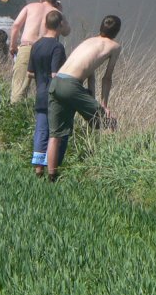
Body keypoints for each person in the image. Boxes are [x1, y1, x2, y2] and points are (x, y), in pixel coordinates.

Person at [46, 15, 120, 182]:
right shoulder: (114, 46)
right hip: (71, 85)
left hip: (57, 82)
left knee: (55, 135)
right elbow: (107, 78)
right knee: (108, 122)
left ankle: (51, 177)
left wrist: (91, 94)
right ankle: (110, 168)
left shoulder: (88, 41)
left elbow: (88, 70)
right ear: (117, 31)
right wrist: (104, 105)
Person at [9, 0, 70, 103]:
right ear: (55, 2)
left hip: (27, 46)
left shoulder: (30, 7)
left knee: (19, 85)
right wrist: (60, 11)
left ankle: (14, 111)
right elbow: (66, 32)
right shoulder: (57, 13)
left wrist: (12, 46)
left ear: (40, 0)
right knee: (45, 84)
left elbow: (16, 25)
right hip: (46, 49)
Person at [29, 10, 66, 177]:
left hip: (40, 92)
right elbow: (55, 73)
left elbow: (30, 72)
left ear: (45, 24)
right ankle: (52, 169)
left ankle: (38, 168)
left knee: (41, 130)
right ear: (59, 25)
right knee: (55, 133)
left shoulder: (36, 45)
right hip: (53, 94)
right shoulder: (57, 47)